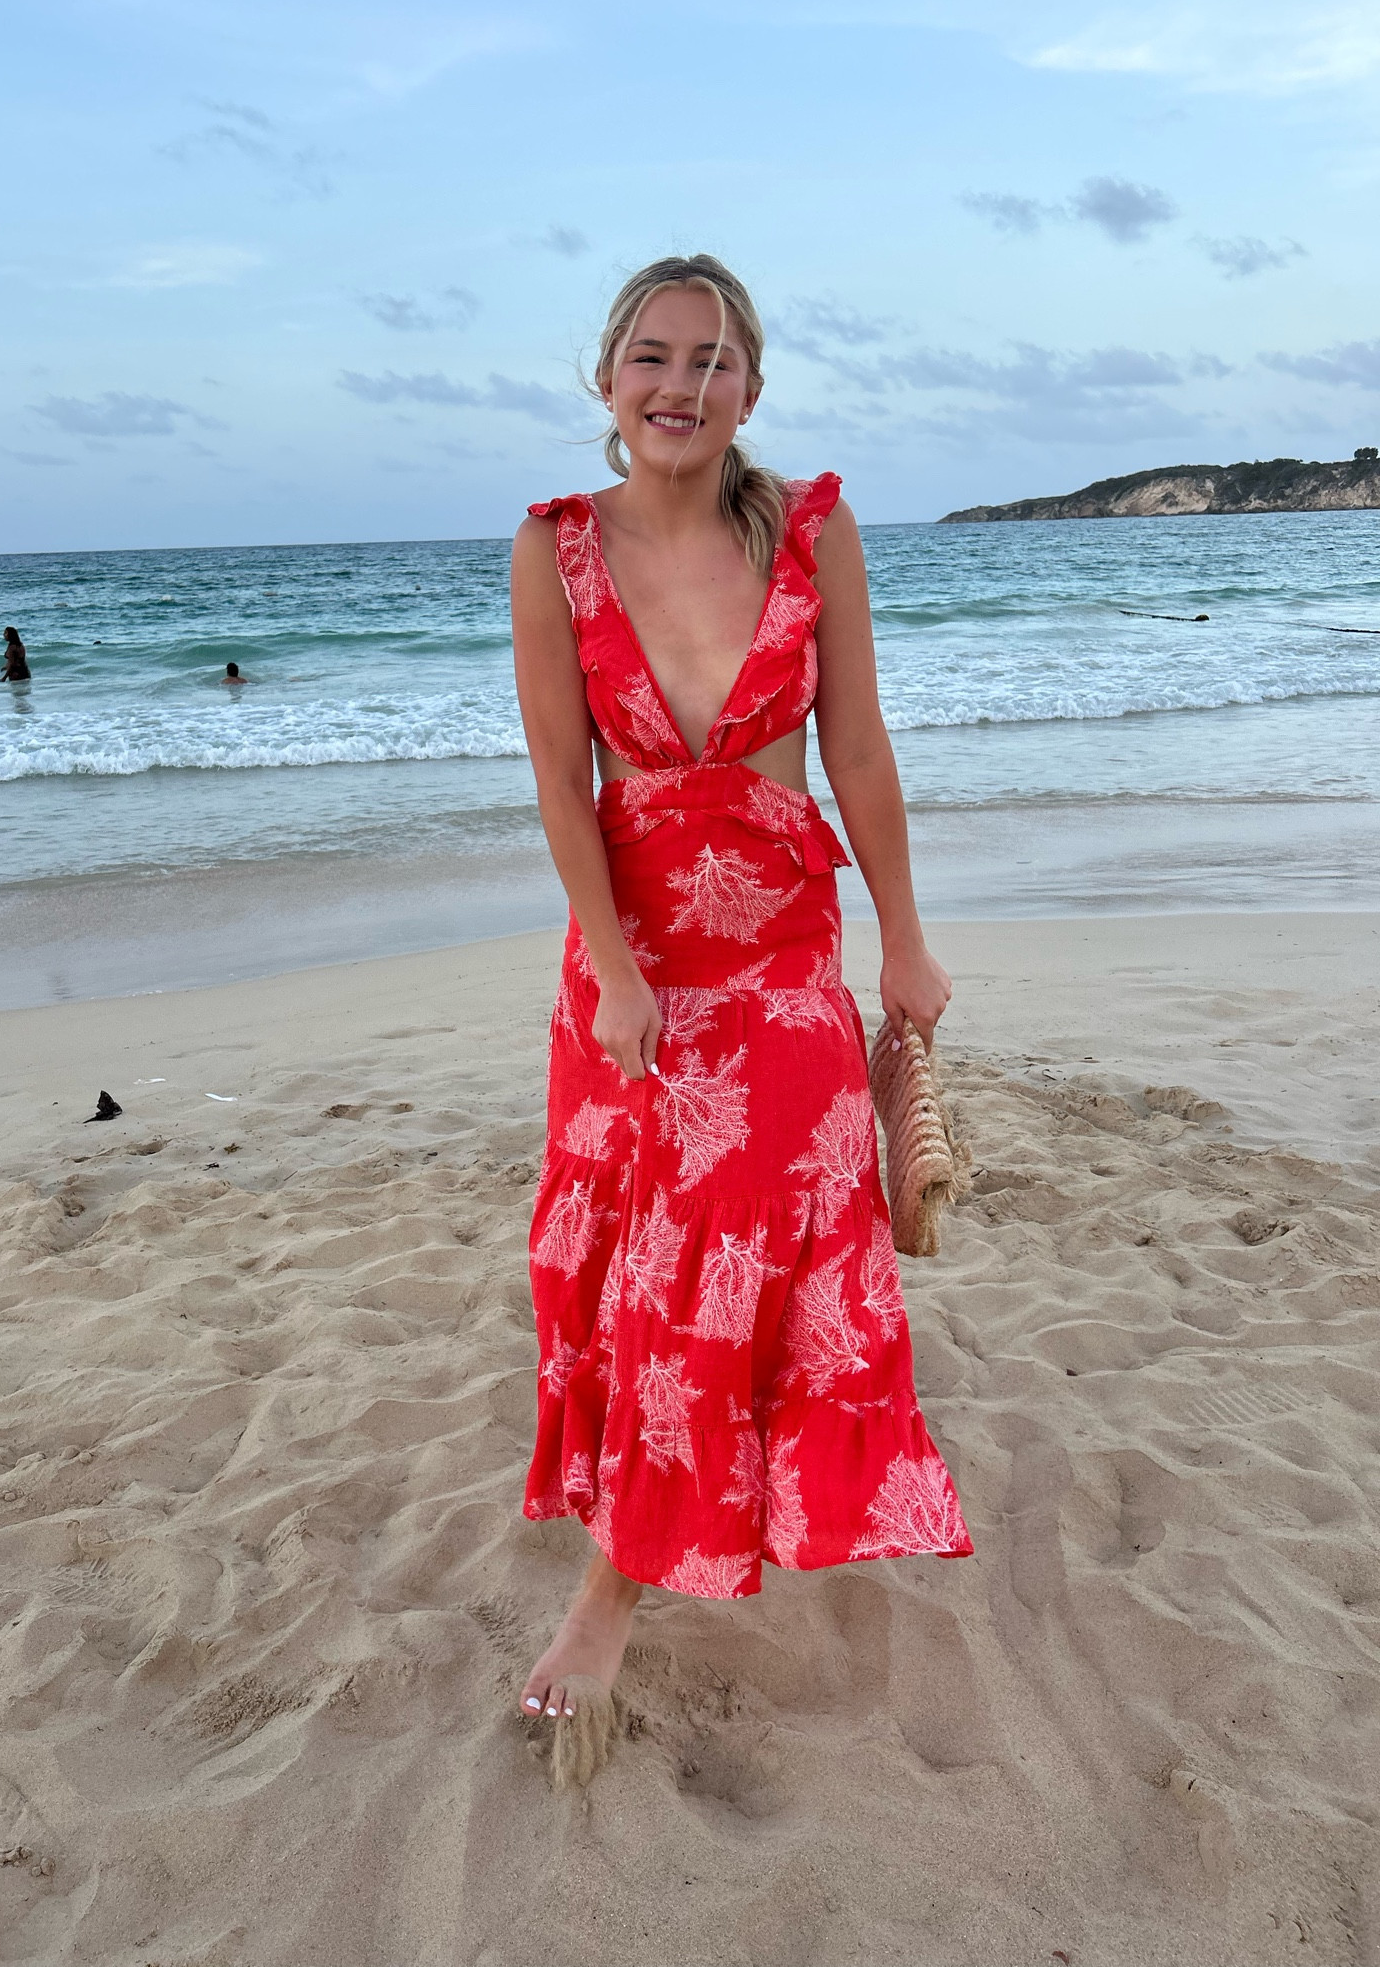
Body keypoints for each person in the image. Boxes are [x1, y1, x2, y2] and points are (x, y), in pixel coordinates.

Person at [510, 254, 971, 1731]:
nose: (680, 386)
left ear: (751, 391)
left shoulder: (813, 536)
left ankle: (607, 1598)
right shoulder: (555, 550)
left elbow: (863, 756)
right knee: (642, 1267)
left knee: (732, 1253)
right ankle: (650, 1543)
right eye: (654, 357)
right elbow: (563, 788)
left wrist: (903, 939)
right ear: (608, 380)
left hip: (779, 951)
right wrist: (619, 969)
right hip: (637, 959)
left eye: (712, 363)